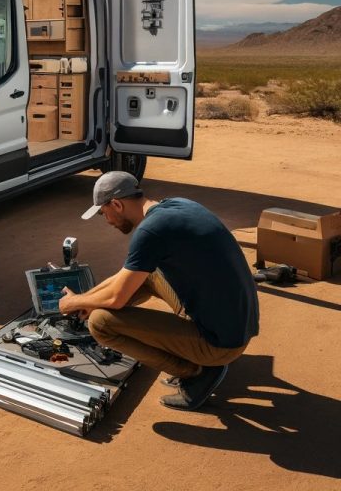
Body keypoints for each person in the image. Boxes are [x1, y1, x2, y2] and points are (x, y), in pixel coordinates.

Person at [59, 171, 259, 411]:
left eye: (104, 213)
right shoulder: (177, 206)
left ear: (116, 204)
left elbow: (116, 296)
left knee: (101, 323)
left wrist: (74, 303)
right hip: (237, 325)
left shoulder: (150, 232)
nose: (107, 220)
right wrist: (88, 300)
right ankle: (197, 357)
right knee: (147, 274)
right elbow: (125, 277)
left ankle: (195, 372)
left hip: (221, 344)